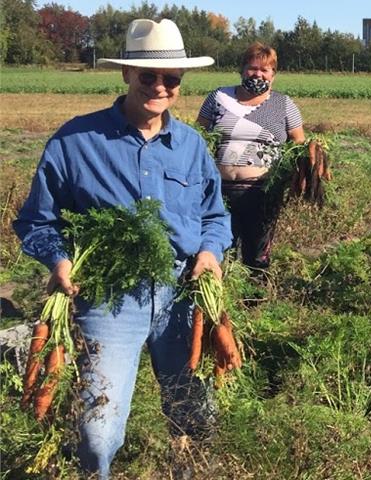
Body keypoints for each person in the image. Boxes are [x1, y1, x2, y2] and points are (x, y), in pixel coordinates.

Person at [11, 19, 232, 478]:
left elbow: (215, 216)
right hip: (109, 297)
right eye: (147, 75)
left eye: (170, 79)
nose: (159, 86)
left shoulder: (191, 146)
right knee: (97, 432)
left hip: (181, 297)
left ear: (180, 83)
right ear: (126, 75)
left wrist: (209, 254)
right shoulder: (76, 141)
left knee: (196, 415)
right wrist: (58, 258)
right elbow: (37, 219)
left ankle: (185, 470)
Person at [196, 41, 305, 271]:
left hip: (261, 192)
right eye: (252, 68)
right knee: (221, 249)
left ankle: (255, 301)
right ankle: (223, 302)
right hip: (218, 190)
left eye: (264, 70)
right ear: (242, 69)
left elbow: (299, 144)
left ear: (273, 75)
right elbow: (198, 136)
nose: (258, 74)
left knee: (257, 253)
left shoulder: (283, 104)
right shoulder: (219, 97)